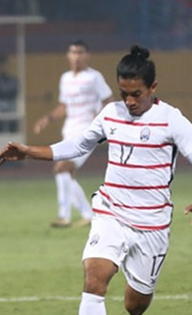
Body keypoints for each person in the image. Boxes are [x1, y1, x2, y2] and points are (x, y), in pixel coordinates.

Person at [0, 45, 192, 315]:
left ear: (153, 87)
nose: (129, 101)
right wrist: (29, 151)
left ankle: (132, 275)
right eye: (124, 93)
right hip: (111, 211)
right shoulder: (110, 114)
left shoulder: (172, 119)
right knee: (94, 276)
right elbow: (77, 145)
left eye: (136, 94)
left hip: (152, 226)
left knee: (135, 306)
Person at [33, 40, 113, 229]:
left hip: (86, 132)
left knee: (61, 169)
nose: (76, 56)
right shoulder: (65, 78)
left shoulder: (94, 77)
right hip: (69, 130)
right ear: (68, 55)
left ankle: (64, 215)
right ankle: (88, 214)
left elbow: (108, 100)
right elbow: (64, 106)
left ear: (87, 55)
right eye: (73, 52)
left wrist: (100, 121)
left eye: (80, 52)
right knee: (67, 174)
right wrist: (48, 118)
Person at [0, 54, 19, 132]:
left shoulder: (14, 80)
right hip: (0, 110)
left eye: (5, 64)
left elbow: (14, 93)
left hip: (11, 110)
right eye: (1, 65)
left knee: (13, 130)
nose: (3, 67)